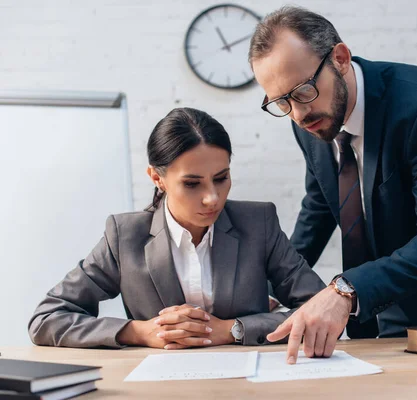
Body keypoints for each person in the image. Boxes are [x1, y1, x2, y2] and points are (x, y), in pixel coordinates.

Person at [248, 6, 417, 364]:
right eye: (280, 101)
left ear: (340, 57)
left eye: (302, 91)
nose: (297, 114)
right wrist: (265, 291)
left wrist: (345, 291)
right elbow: (320, 207)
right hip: (392, 304)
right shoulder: (307, 118)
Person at [28, 107, 325, 349]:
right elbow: (46, 318)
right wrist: (140, 332)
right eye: (192, 183)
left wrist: (233, 330)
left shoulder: (258, 223)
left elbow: (320, 310)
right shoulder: (124, 236)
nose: (212, 198)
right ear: (157, 179)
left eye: (221, 178)